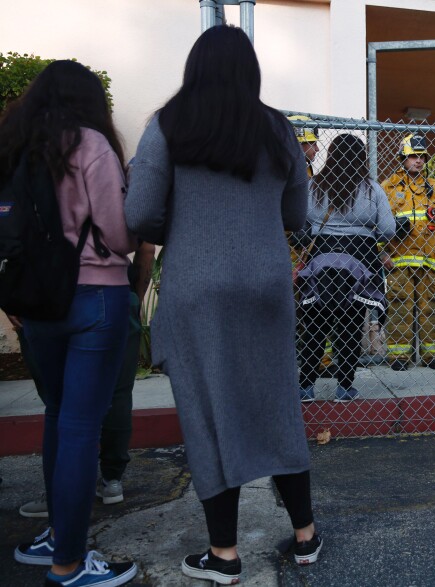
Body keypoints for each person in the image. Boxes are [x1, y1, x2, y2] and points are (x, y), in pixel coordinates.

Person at [124, 25, 322, 584]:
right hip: (265, 285)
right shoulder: (278, 128)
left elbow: (139, 213)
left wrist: (183, 223)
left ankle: (224, 555)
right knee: (276, 402)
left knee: (209, 411)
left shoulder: (167, 125)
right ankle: (306, 535)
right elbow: (296, 216)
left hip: (197, 287)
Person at [2, 60, 138, 586]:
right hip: (93, 299)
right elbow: (118, 234)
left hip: (35, 301)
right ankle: (69, 565)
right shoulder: (91, 146)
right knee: (82, 427)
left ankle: (55, 538)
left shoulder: (14, 144)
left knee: (58, 417)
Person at [14, 240, 155, 518]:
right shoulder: (111, 193)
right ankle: (112, 480)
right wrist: (135, 296)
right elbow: (146, 243)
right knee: (116, 390)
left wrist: (12, 294)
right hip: (109, 288)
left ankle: (60, 495)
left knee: (58, 402)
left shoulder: (32, 193)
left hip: (42, 292)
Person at [297, 133, 396, 401]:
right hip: (360, 261)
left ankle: (305, 386)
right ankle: (344, 387)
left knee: (316, 325)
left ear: (331, 155)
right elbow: (388, 229)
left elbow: (299, 221)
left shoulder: (314, 185)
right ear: (362, 157)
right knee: (350, 326)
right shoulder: (372, 189)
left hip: (321, 259)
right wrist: (368, 233)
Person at [381, 134, 435, 371]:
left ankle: (432, 355)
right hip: (399, 262)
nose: (418, 161)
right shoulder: (388, 188)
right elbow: (376, 225)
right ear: (403, 158)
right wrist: (381, 254)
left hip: (431, 262)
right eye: (413, 156)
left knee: (432, 309)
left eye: (422, 156)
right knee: (400, 309)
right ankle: (399, 357)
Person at [286, 115, 335, 374]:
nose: (317, 149)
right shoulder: (284, 167)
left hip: (304, 247)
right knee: (292, 304)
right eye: (312, 143)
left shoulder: (305, 169)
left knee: (313, 302)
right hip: (287, 247)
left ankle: (319, 361)